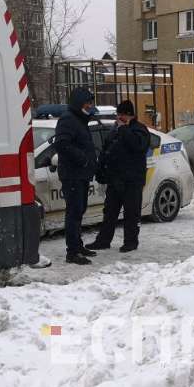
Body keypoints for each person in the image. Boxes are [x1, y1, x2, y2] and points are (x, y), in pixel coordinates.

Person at [86, 100, 151, 253]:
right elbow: (107, 150)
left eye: (122, 115)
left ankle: (131, 241)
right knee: (110, 212)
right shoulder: (115, 130)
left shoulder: (139, 130)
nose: (119, 118)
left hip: (132, 180)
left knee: (131, 213)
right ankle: (103, 240)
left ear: (130, 115)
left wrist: (124, 129)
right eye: (118, 115)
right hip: (115, 179)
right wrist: (101, 170)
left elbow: (138, 146)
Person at [54, 88, 99, 265]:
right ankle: (72, 252)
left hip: (81, 175)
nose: (91, 106)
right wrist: (83, 159)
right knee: (73, 212)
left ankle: (78, 245)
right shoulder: (68, 120)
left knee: (79, 211)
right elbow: (62, 144)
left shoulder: (80, 120)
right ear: (79, 103)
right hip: (72, 175)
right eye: (88, 102)